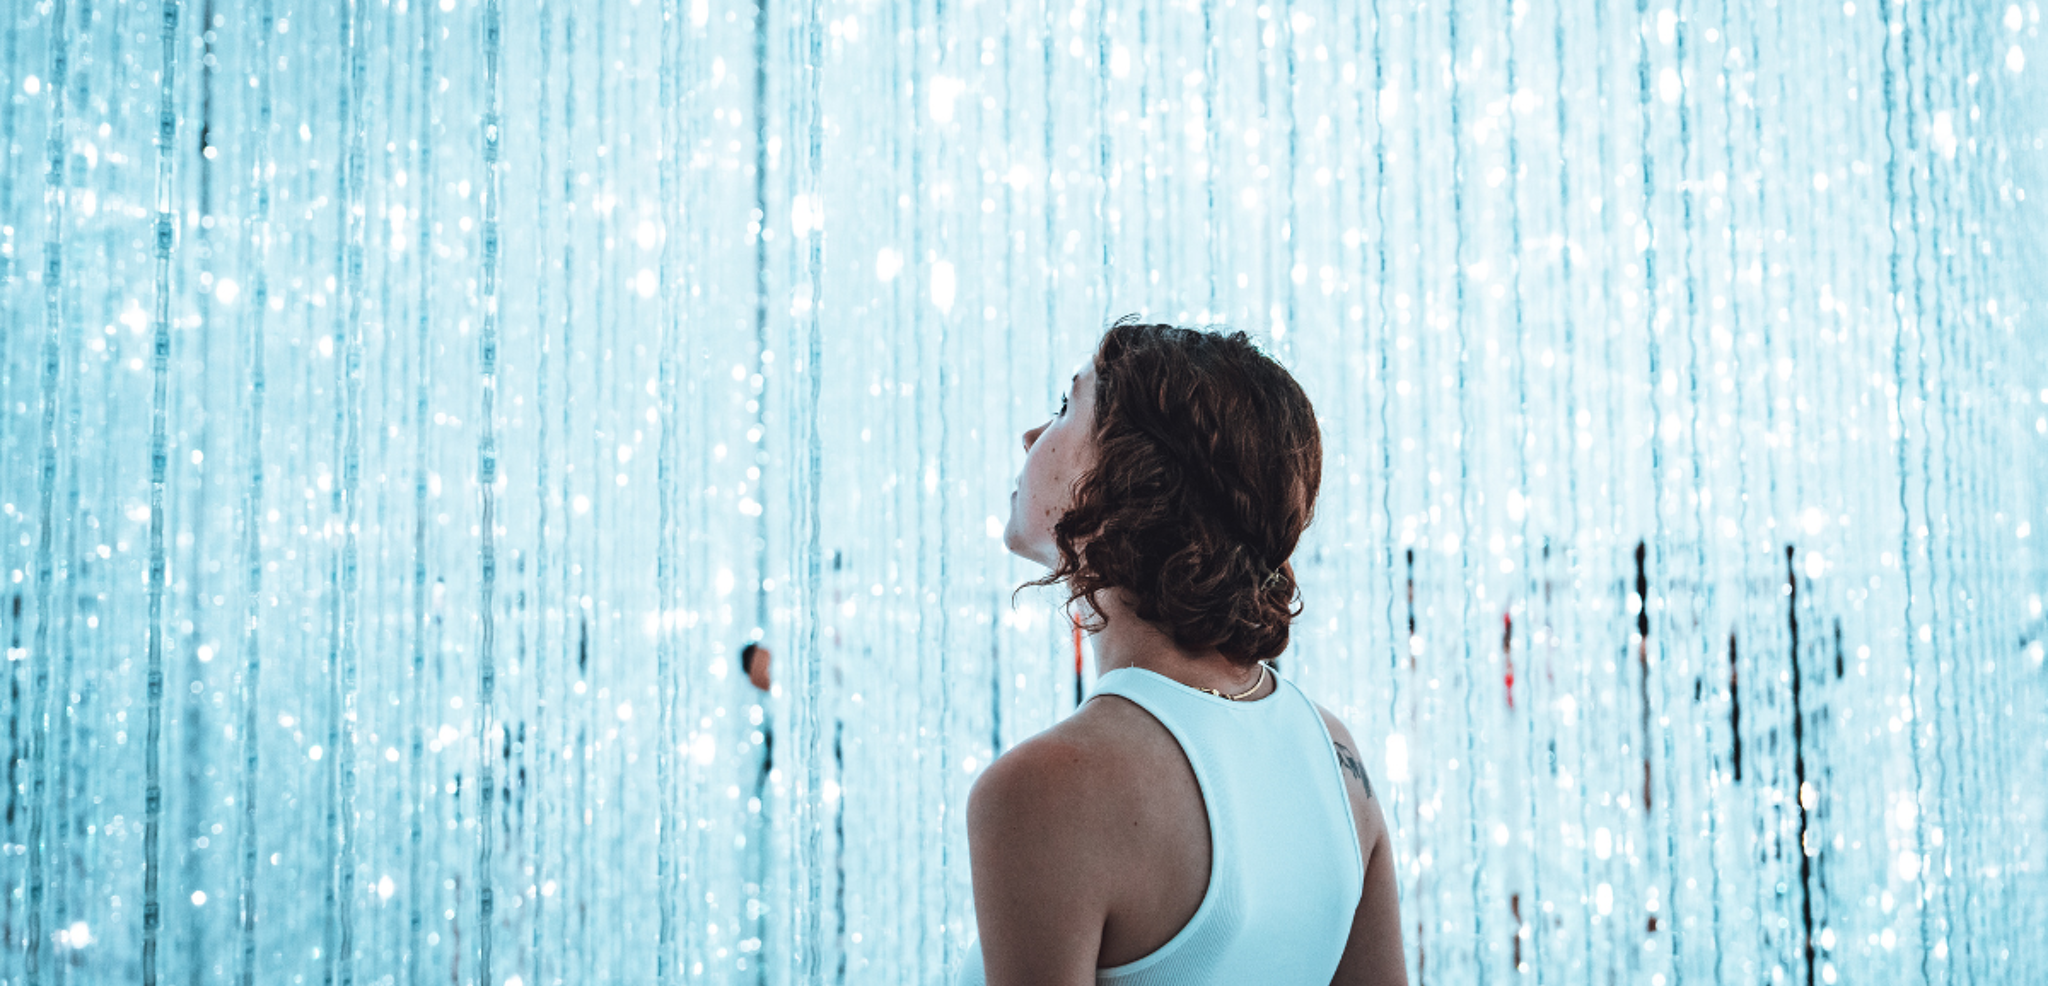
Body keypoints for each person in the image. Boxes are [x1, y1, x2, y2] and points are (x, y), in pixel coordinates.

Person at [960, 321, 1407, 985]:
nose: (1031, 436)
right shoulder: (1334, 754)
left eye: (1064, 407)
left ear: (1128, 478)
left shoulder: (1044, 787)